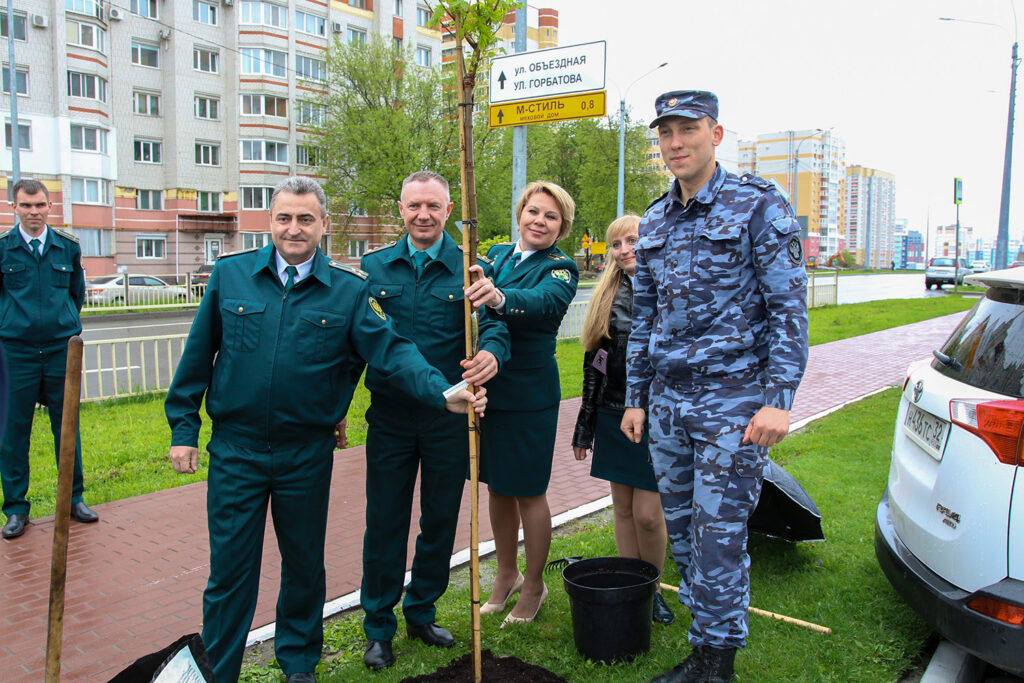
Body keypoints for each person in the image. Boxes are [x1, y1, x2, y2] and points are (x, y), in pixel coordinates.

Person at [164, 176, 487, 683]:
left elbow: (392, 350)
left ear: (324, 225)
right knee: (229, 572)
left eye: (306, 219)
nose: (295, 229)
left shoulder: (349, 292)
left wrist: (441, 391)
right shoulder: (231, 278)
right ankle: (219, 672)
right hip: (236, 451)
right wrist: (183, 428)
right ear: (270, 221)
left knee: (303, 565)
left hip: (304, 454)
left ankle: (298, 664)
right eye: (285, 218)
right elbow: (197, 358)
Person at [621, 91, 808, 683]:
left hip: (735, 402)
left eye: (687, 130)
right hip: (670, 403)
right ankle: (703, 651)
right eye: (665, 133)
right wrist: (635, 395)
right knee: (682, 534)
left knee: (720, 535)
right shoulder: (654, 220)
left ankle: (716, 663)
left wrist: (779, 400)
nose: (675, 144)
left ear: (716, 134)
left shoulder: (758, 204)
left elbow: (789, 307)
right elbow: (643, 316)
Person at [358, 171, 510, 671]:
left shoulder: (472, 269)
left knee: (440, 519)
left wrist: (491, 353)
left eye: (434, 206)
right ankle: (378, 626)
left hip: (452, 420)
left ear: (448, 211)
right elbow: (359, 343)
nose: (423, 215)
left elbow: (495, 326)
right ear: (400, 210)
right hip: (391, 418)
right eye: (413, 206)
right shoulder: (373, 268)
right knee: (385, 521)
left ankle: (420, 609)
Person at [465, 181, 579, 627]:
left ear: (562, 227)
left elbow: (543, 304)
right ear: (520, 214)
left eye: (551, 216)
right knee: (497, 485)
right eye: (533, 211)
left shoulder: (561, 268)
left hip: (529, 394)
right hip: (487, 387)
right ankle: (507, 574)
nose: (539, 221)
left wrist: (500, 297)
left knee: (529, 490)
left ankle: (534, 583)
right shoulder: (495, 254)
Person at [571, 214, 673, 626]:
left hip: (655, 417)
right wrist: (585, 424)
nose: (624, 250)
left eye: (632, 240)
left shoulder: (668, 288)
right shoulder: (606, 296)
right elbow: (595, 364)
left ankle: (654, 587)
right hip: (614, 413)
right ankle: (633, 589)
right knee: (624, 510)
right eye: (616, 244)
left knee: (649, 513)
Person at [1, 178, 98, 540]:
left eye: (40, 205)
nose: (34, 212)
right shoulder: (3, 249)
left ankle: (73, 499)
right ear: (14, 207)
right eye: (26, 206)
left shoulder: (66, 247)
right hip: (16, 353)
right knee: (13, 432)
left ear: (49, 206)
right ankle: (15, 509)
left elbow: (77, 294)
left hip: (61, 351)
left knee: (67, 427)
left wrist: (63, 324)